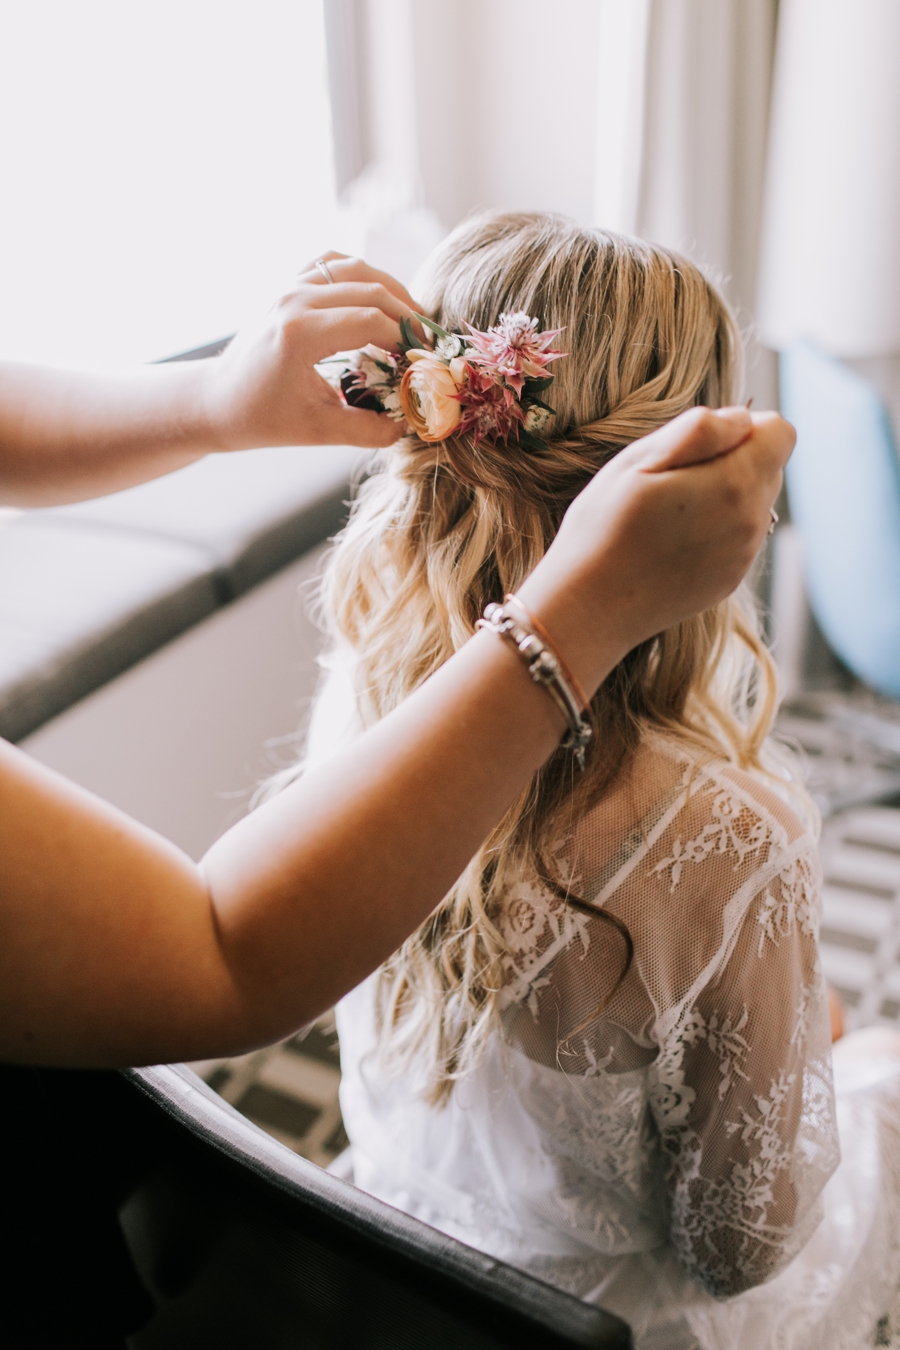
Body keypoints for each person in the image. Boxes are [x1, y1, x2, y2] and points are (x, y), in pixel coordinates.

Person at [298, 215, 900, 1350]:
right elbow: (739, 1251)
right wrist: (793, 1045)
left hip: (384, 1242)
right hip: (601, 1327)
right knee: (880, 1064)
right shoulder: (729, 840)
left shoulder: (369, 704)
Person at [0, 252, 790, 1068]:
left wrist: (210, 398)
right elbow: (221, 958)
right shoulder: (733, 845)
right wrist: (572, 619)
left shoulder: (370, 685)